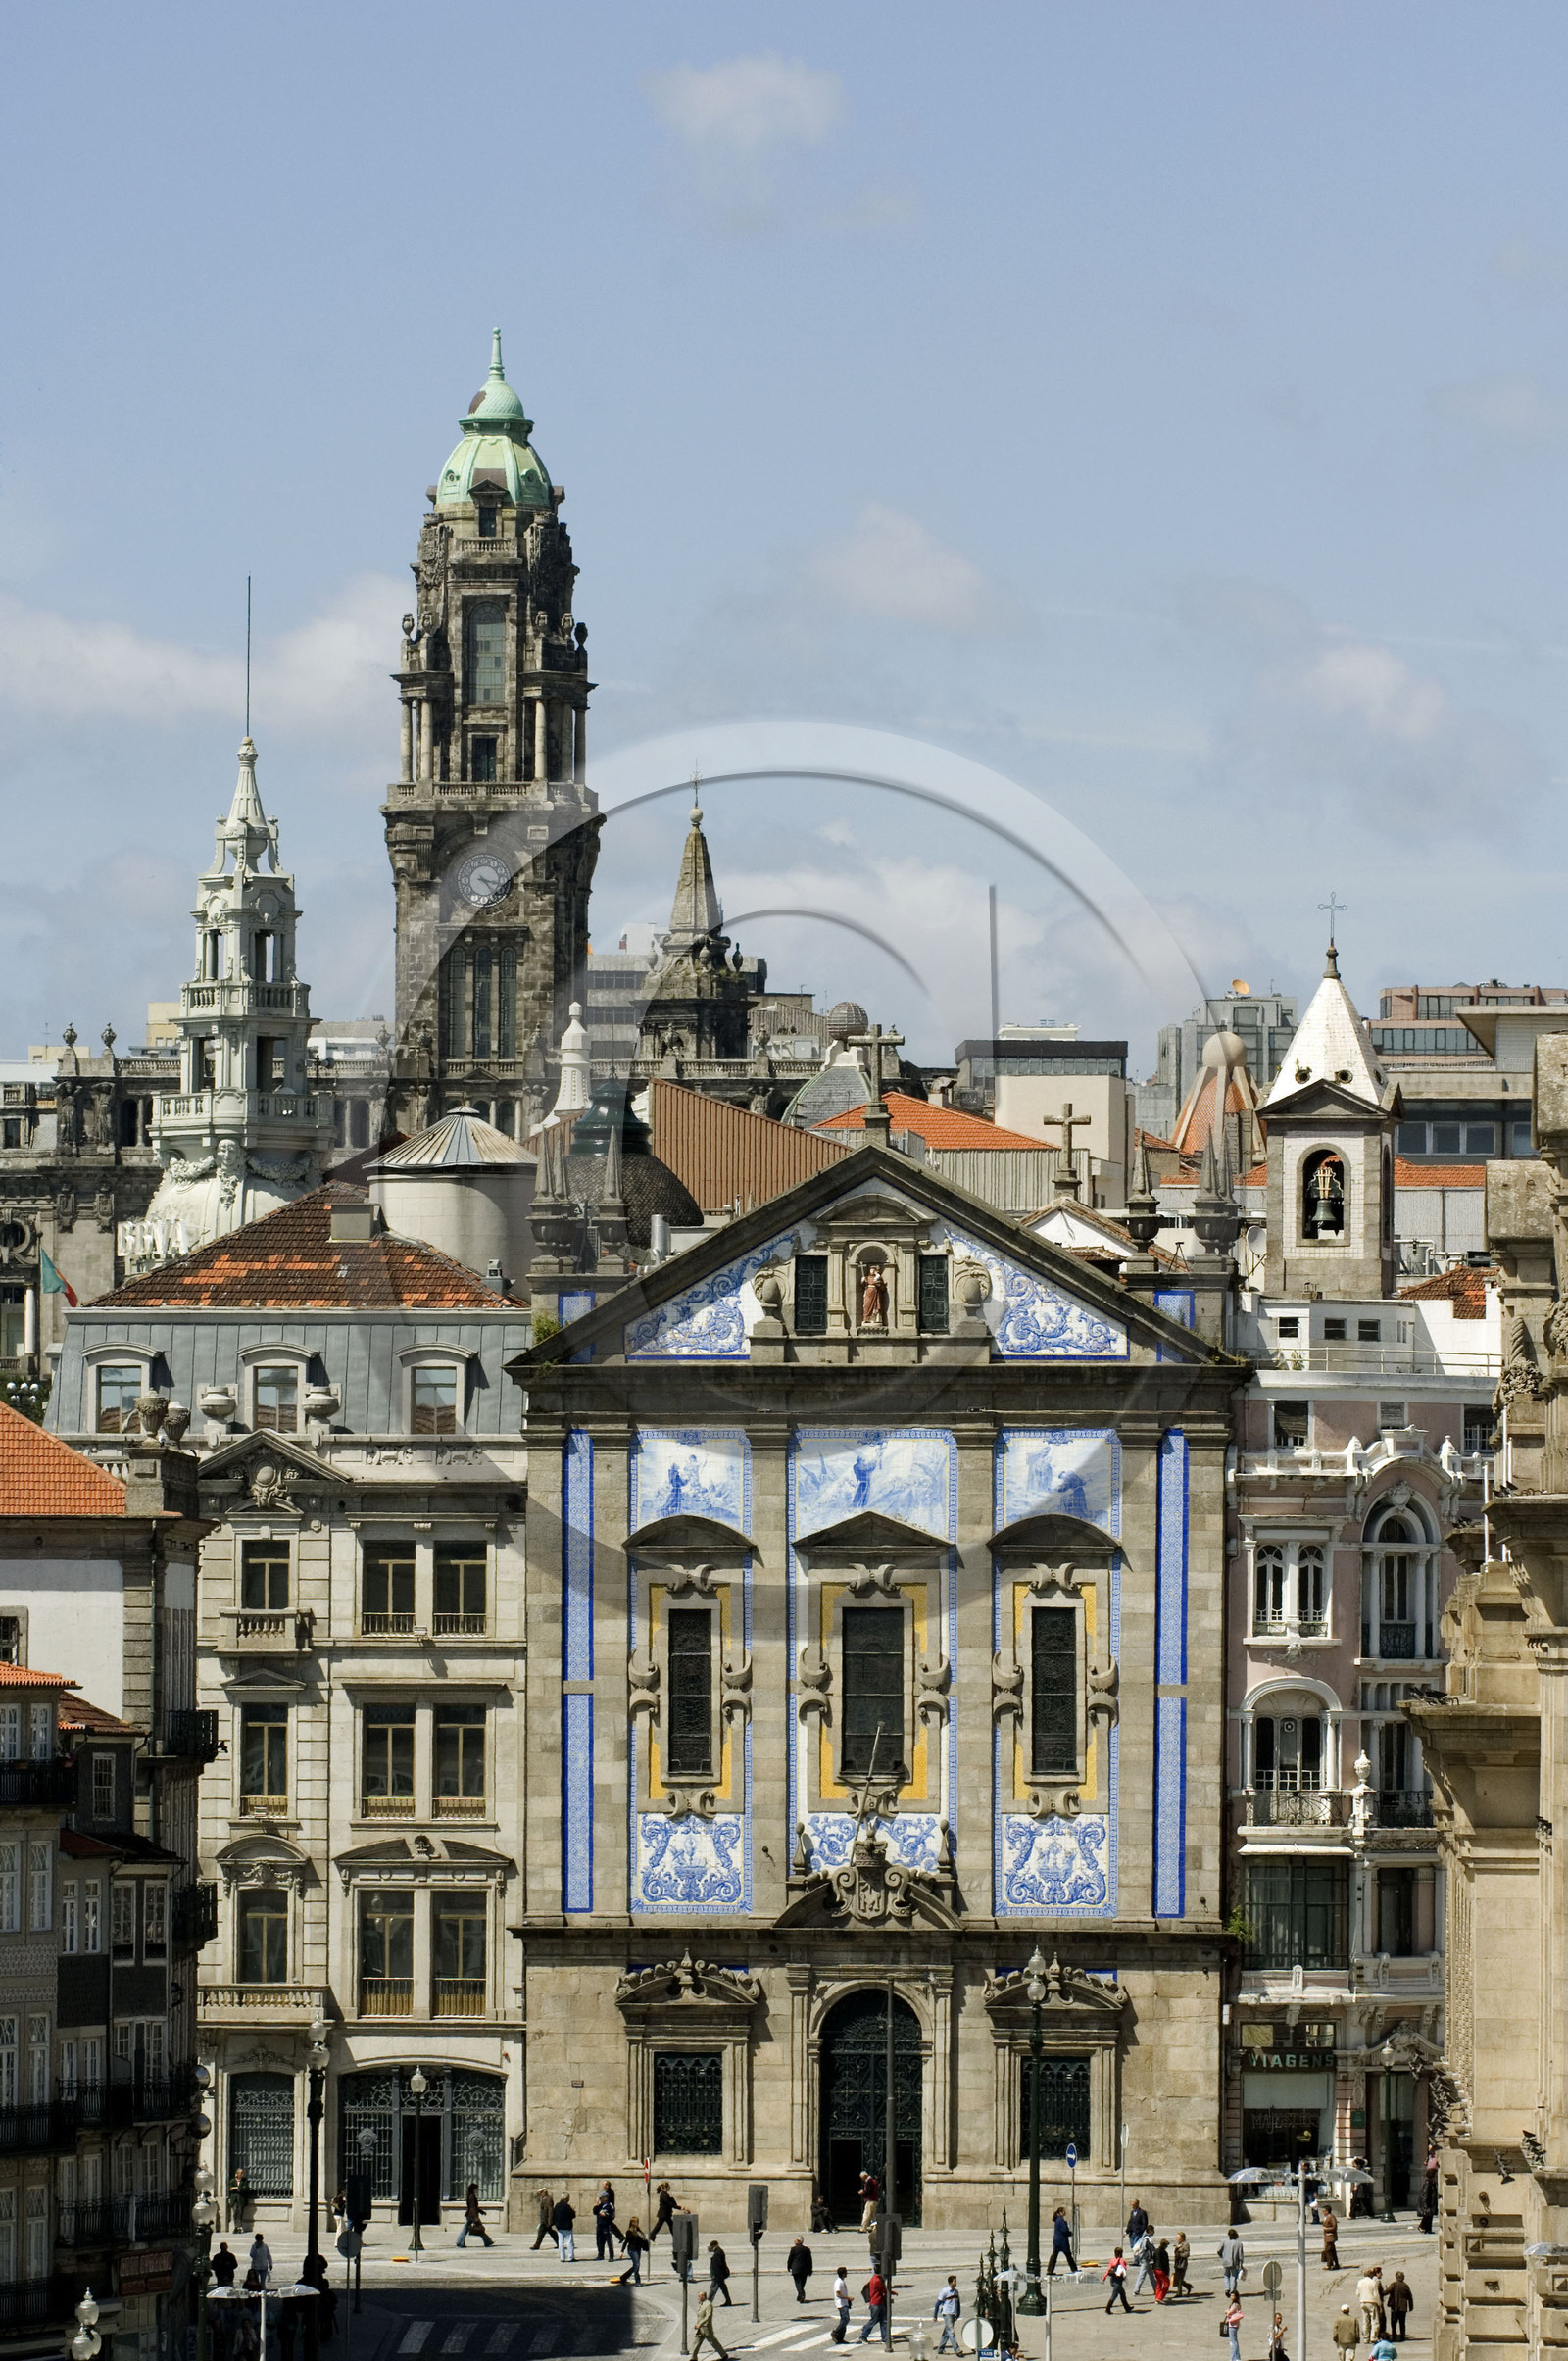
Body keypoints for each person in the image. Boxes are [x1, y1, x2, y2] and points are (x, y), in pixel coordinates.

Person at [690, 2289, 730, 2361]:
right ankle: (693, 2358)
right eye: (698, 2296)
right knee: (696, 2342)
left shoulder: (708, 2304)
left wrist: (700, 2324)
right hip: (699, 2329)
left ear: (703, 2297)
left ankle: (724, 2355)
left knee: (713, 2342)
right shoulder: (701, 2304)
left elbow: (708, 2316)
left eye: (699, 2296)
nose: (698, 2298)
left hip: (706, 2328)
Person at [457, 2184, 494, 2249]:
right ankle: (488, 2241)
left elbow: (474, 2207)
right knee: (480, 2228)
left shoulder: (470, 2195)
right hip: (473, 2215)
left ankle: (460, 2242)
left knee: (466, 2229)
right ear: (474, 2189)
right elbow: (473, 2207)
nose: (477, 2190)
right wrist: (476, 2217)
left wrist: (482, 2212)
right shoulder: (472, 2196)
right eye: (476, 2189)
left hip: (470, 2214)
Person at [858, 2265, 888, 2344]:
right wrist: (891, 2292)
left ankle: (885, 2338)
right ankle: (864, 2335)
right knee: (874, 2320)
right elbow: (883, 2290)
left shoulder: (874, 2278)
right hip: (876, 2303)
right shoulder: (877, 2280)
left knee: (883, 2320)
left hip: (878, 2302)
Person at [934, 2276, 962, 2354]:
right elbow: (937, 2304)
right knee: (951, 2332)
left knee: (946, 2332)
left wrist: (958, 2312)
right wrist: (935, 2315)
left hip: (953, 2314)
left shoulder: (956, 2292)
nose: (955, 2283)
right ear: (950, 2282)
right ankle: (957, 2349)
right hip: (947, 2314)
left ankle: (940, 2349)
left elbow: (958, 2303)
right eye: (954, 2281)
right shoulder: (944, 2291)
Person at [619, 2217, 649, 2287]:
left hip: (638, 2249)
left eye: (637, 2222)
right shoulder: (629, 2231)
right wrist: (622, 2251)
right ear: (632, 2223)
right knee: (637, 2264)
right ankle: (637, 2282)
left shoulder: (639, 2231)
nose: (637, 2223)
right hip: (632, 2250)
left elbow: (642, 2240)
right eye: (635, 2222)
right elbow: (626, 2242)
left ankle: (623, 2277)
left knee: (635, 2266)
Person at [593, 2183, 618, 2261]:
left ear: (605, 2198)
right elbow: (595, 2212)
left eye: (601, 2198)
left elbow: (612, 2215)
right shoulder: (600, 2206)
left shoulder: (609, 2205)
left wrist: (605, 2216)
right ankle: (600, 2254)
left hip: (606, 2225)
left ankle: (611, 2256)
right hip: (599, 2225)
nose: (600, 2199)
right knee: (599, 2241)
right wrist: (596, 2205)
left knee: (609, 2241)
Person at [1386, 2271, 1414, 2341]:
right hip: (1403, 2307)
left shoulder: (1393, 2284)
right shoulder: (1405, 2286)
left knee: (1393, 2322)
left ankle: (1394, 2336)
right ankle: (1402, 2336)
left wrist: (1381, 2292)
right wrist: (1411, 2306)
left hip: (1394, 2307)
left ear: (1396, 2277)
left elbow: (1387, 2292)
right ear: (1403, 2278)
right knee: (1402, 2322)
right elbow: (1410, 2297)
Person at [1102, 2247, 1132, 2313]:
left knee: (1123, 2294)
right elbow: (1124, 2268)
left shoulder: (1112, 2260)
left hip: (1113, 2280)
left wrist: (1105, 2276)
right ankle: (1108, 2309)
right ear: (1121, 2253)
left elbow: (1109, 2269)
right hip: (1118, 2281)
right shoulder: (1121, 2260)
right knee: (1114, 2295)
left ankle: (1127, 2308)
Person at [1047, 2206, 1075, 2275]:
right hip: (1062, 2241)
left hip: (1056, 2240)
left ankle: (1050, 2270)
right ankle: (1074, 2269)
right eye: (1064, 2211)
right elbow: (1064, 2230)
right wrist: (1069, 2233)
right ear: (1061, 2212)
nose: (1065, 2213)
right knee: (1068, 2256)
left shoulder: (1057, 2220)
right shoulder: (1061, 2220)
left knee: (1054, 2256)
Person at [1357, 2268, 1384, 2341]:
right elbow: (1376, 2295)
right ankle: (1373, 2337)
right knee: (1374, 2320)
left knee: (1365, 2321)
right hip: (1371, 2302)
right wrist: (1379, 2305)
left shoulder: (1360, 2282)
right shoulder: (1372, 2282)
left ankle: (1366, 2337)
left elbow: (1358, 2293)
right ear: (1370, 2274)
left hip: (1363, 2302)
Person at [1131, 2230, 1157, 2296]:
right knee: (1142, 2275)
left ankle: (1156, 2289)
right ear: (1150, 2231)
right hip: (1145, 2259)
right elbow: (1152, 2249)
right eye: (1153, 2230)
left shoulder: (1143, 2238)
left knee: (1151, 2274)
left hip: (1143, 2258)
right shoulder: (1147, 2239)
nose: (1154, 2232)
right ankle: (1136, 2291)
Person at [651, 2184, 678, 2249]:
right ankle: (651, 2237)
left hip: (665, 2214)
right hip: (664, 2214)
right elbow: (670, 2204)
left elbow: (670, 2203)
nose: (670, 2188)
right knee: (661, 2226)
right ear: (666, 2187)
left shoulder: (664, 2194)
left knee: (670, 2225)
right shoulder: (664, 2195)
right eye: (669, 2187)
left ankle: (676, 2239)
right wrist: (680, 2207)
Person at [1218, 2230, 1245, 2294]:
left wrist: (1222, 2256)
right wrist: (1241, 2263)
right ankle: (1232, 2290)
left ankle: (1227, 2289)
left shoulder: (1224, 2241)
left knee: (1226, 2275)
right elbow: (1240, 2256)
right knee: (1233, 2276)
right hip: (1234, 2262)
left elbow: (1218, 2251)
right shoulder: (1239, 2244)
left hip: (1226, 2261)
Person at [787, 2238, 813, 2302]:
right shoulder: (807, 2249)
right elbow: (810, 2260)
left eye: (795, 2240)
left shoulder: (793, 2249)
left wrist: (789, 2266)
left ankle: (801, 2294)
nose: (794, 2241)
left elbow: (790, 2259)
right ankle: (800, 2295)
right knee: (802, 2283)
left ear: (798, 2241)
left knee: (798, 2283)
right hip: (805, 2269)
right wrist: (810, 2269)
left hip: (796, 2268)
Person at [553, 2192, 576, 2262]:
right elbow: (572, 2215)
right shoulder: (567, 2206)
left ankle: (562, 2257)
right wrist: (573, 2210)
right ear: (566, 2198)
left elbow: (554, 2215)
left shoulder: (557, 2205)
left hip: (559, 2226)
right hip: (567, 2227)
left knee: (560, 2242)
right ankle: (570, 2257)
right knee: (569, 2242)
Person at [708, 2240, 732, 2306]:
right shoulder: (719, 2252)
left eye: (711, 2246)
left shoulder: (718, 2253)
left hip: (717, 2275)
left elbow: (719, 2265)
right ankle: (728, 2301)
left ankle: (708, 2303)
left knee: (713, 2289)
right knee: (723, 2288)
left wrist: (718, 2275)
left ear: (714, 2246)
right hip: (719, 2275)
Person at [832, 2265, 852, 2343]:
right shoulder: (839, 2282)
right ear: (843, 2273)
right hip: (841, 2304)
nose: (847, 2273)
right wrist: (848, 2298)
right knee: (845, 2319)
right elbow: (838, 2294)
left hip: (844, 2303)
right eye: (846, 2272)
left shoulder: (841, 2281)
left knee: (844, 2320)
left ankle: (840, 2338)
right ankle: (836, 2332)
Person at [228, 2167, 251, 2232]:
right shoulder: (232, 2181)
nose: (242, 2174)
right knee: (235, 2212)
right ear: (237, 2174)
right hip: (234, 2200)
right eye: (241, 2173)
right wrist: (237, 2188)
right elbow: (230, 2189)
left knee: (240, 2212)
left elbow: (246, 2188)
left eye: (242, 2173)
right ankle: (236, 2226)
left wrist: (236, 2188)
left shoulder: (245, 2180)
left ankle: (239, 2227)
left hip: (241, 2199)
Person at [1223, 2293, 1244, 2361]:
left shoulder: (1234, 2305)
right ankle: (1236, 2357)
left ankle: (1234, 2358)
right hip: (1235, 2324)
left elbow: (1229, 2312)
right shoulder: (1236, 2304)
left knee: (1233, 2342)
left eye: (1233, 2296)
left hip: (1232, 2324)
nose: (1231, 2297)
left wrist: (1227, 2311)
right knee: (1234, 2341)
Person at [1319, 2204, 1340, 2270]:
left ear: (1327, 2211)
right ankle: (1336, 2264)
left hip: (1330, 2236)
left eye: (1323, 2211)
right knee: (1332, 2251)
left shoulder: (1331, 2217)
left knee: (1328, 2250)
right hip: (1327, 2237)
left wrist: (1326, 2229)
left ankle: (1329, 2264)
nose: (1323, 2212)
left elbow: (1334, 2227)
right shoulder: (1326, 2217)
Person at [1170, 2232, 1190, 2296]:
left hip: (1182, 2263)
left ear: (1182, 2238)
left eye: (1178, 2237)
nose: (1177, 2238)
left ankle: (1179, 2294)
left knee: (1179, 2279)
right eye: (1177, 2237)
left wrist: (1180, 2254)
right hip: (1177, 2263)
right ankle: (1188, 2286)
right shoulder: (1179, 2244)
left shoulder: (1185, 2244)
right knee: (1177, 2278)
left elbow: (1187, 2254)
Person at [1152, 2238, 1171, 2302]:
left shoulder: (1156, 2251)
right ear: (1164, 2245)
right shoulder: (1164, 2253)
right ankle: (1160, 2297)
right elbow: (1166, 2264)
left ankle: (1157, 2297)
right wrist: (1167, 2272)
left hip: (1155, 2269)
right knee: (1167, 2283)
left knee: (1159, 2283)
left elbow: (1154, 2259)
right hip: (1161, 2270)